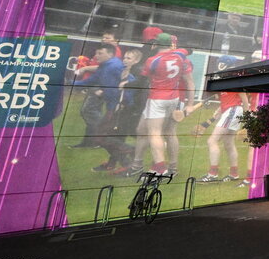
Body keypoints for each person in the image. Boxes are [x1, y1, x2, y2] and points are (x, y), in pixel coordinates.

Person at [125, 33, 194, 176]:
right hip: (175, 98)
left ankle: (161, 169)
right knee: (142, 129)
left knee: (157, 133)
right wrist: (191, 103)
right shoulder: (181, 56)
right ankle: (138, 164)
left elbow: (145, 77)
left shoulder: (154, 60)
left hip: (158, 98)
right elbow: (189, 51)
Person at [72, 44, 123, 149]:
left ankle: (98, 139)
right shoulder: (105, 66)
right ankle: (92, 141)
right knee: (90, 113)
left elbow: (127, 81)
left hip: (119, 103)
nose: (96, 56)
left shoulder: (114, 66)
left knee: (95, 116)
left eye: (100, 53)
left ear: (110, 54)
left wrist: (104, 92)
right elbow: (90, 81)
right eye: (96, 53)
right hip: (112, 102)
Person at [198, 91, 251, 182]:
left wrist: (247, 120)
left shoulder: (235, 81)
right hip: (231, 111)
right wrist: (220, 109)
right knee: (228, 143)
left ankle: (212, 174)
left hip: (233, 111)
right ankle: (234, 174)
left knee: (212, 140)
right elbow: (228, 99)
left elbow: (244, 99)